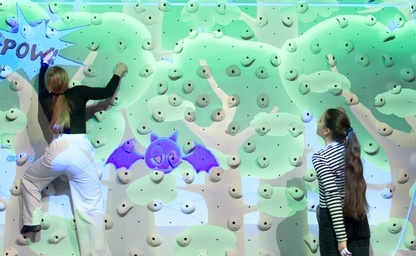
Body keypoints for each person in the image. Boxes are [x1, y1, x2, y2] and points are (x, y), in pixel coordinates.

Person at [20, 51, 127, 256]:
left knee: (29, 181)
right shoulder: (79, 93)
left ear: (51, 86)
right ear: (67, 81)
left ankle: (32, 222)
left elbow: (42, 85)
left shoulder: (46, 98)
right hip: (81, 152)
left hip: (58, 150)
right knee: (91, 208)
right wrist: (118, 73)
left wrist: (44, 63)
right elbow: (107, 91)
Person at [312, 107, 370, 256]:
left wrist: (341, 238)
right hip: (358, 216)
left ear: (327, 131)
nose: (317, 122)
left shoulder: (321, 157)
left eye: (320, 120)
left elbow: (332, 196)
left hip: (333, 222)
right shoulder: (352, 152)